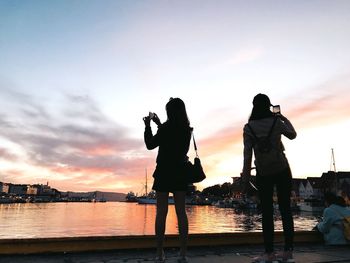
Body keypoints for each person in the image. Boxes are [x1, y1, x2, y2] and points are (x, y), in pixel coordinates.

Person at [242, 93, 297, 263]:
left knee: (266, 212)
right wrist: (282, 117)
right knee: (285, 209)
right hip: (282, 169)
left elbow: (247, 154)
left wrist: (245, 175)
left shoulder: (249, 127)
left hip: (263, 172)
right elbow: (293, 134)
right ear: (268, 106)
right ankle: (288, 252)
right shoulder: (276, 122)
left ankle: (269, 253)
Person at [143, 98, 192, 263]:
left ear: (168, 112)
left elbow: (150, 144)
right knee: (181, 213)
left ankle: (159, 254)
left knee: (161, 213)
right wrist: (159, 124)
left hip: (163, 171)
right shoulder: (187, 129)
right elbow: (177, 143)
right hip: (179, 172)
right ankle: (183, 254)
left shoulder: (165, 128)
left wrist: (148, 126)